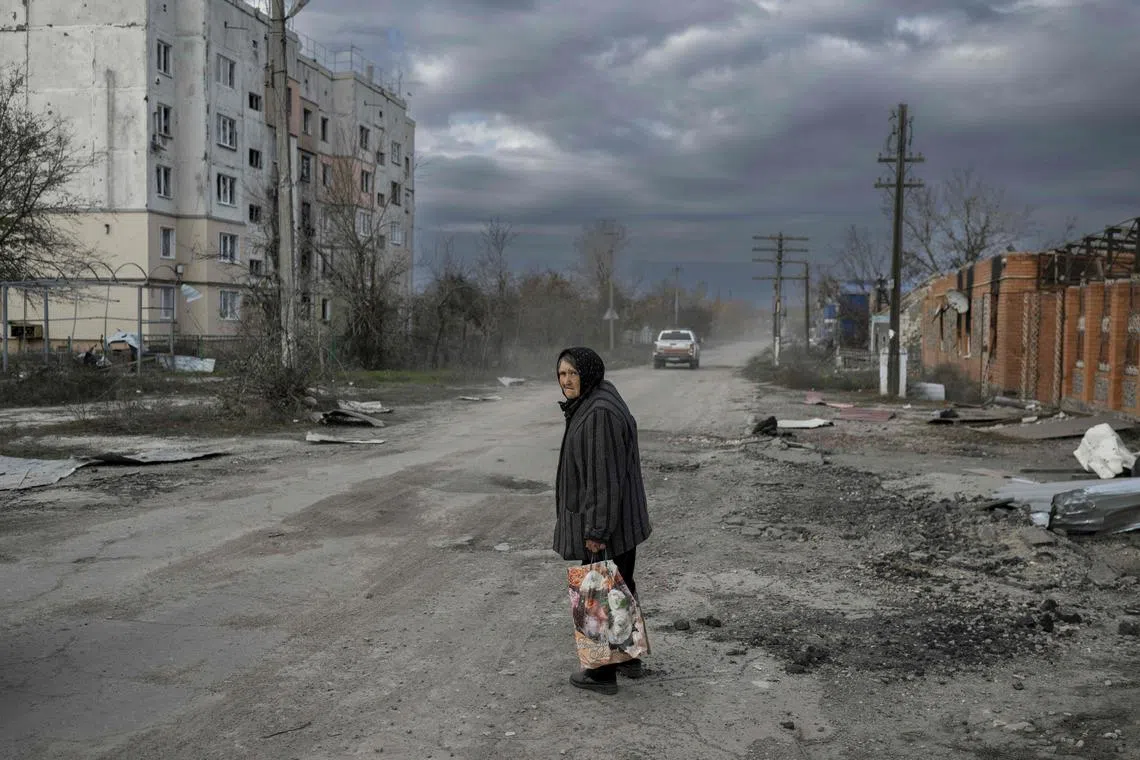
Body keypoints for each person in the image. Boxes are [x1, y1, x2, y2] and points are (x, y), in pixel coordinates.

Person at [553, 346, 652, 695]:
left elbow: (603, 478)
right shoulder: (599, 398)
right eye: (562, 373)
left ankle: (599, 672)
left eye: (573, 373)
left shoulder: (598, 413)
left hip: (609, 522)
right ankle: (626, 657)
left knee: (595, 589)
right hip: (621, 519)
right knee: (617, 588)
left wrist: (596, 530)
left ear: (588, 374)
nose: (566, 380)